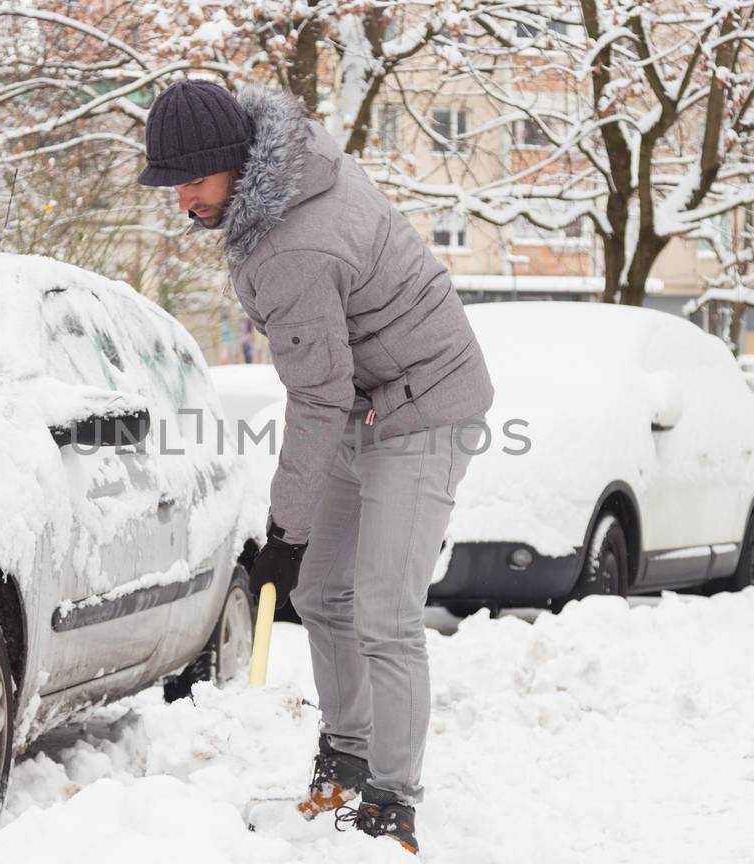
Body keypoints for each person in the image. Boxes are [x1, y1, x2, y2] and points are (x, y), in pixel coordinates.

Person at [137, 79, 494, 854]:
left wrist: (284, 530)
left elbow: (315, 396)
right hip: (370, 399)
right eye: (171, 185)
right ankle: (348, 760)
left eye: (192, 180)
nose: (181, 200)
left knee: (385, 611)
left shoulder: (294, 243)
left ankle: (391, 806)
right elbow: (329, 386)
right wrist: (294, 547)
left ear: (234, 162)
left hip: (428, 406)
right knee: (324, 593)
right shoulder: (285, 183)